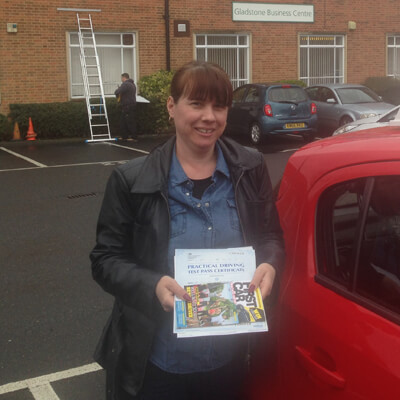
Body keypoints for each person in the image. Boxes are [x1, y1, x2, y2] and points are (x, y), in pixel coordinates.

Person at [90, 61, 285, 400]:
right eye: (196, 103)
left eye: (219, 106)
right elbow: (105, 259)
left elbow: (270, 236)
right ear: (171, 106)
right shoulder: (131, 180)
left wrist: (269, 263)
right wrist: (151, 284)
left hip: (231, 361)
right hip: (158, 364)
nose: (209, 117)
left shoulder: (250, 167)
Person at [114, 73, 138, 142]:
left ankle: (134, 137)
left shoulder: (125, 84)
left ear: (124, 78)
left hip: (127, 105)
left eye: (121, 78)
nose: (121, 79)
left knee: (130, 121)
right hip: (131, 105)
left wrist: (117, 90)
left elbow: (117, 92)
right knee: (123, 122)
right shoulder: (132, 84)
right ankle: (124, 136)